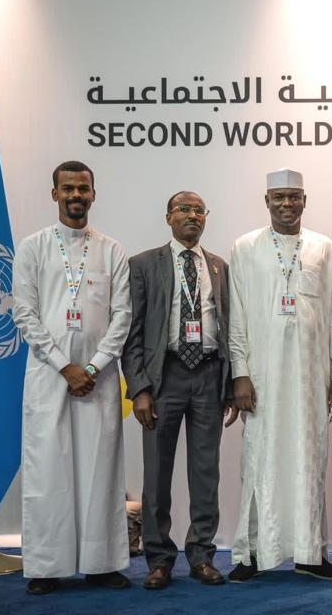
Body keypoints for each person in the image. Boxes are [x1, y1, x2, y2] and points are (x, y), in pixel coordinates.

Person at [225, 168, 332, 582]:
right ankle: (252, 554)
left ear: (304, 201)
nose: (286, 204)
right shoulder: (245, 247)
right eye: (278, 197)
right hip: (261, 377)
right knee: (259, 459)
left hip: (311, 378)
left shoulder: (325, 248)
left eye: (293, 197)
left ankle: (309, 553)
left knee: (309, 460)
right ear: (267, 201)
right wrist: (240, 373)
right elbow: (237, 316)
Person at [13, 161, 132, 595]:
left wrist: (93, 367)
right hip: (49, 376)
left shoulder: (112, 250)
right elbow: (24, 313)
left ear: (94, 194)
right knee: (49, 471)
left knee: (100, 471)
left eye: (83, 188)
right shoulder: (33, 248)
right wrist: (65, 366)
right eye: (68, 189)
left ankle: (102, 564)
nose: (76, 195)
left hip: (99, 380)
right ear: (54, 194)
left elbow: (122, 317)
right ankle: (47, 567)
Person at [122, 191, 231, 589]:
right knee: (156, 474)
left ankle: (201, 555)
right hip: (162, 378)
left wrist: (231, 384)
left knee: (206, 474)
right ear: (168, 216)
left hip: (208, 375)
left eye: (199, 210)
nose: (192, 216)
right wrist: (139, 388)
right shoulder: (143, 265)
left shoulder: (219, 267)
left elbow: (230, 327)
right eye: (184, 209)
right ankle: (159, 559)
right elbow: (132, 334)